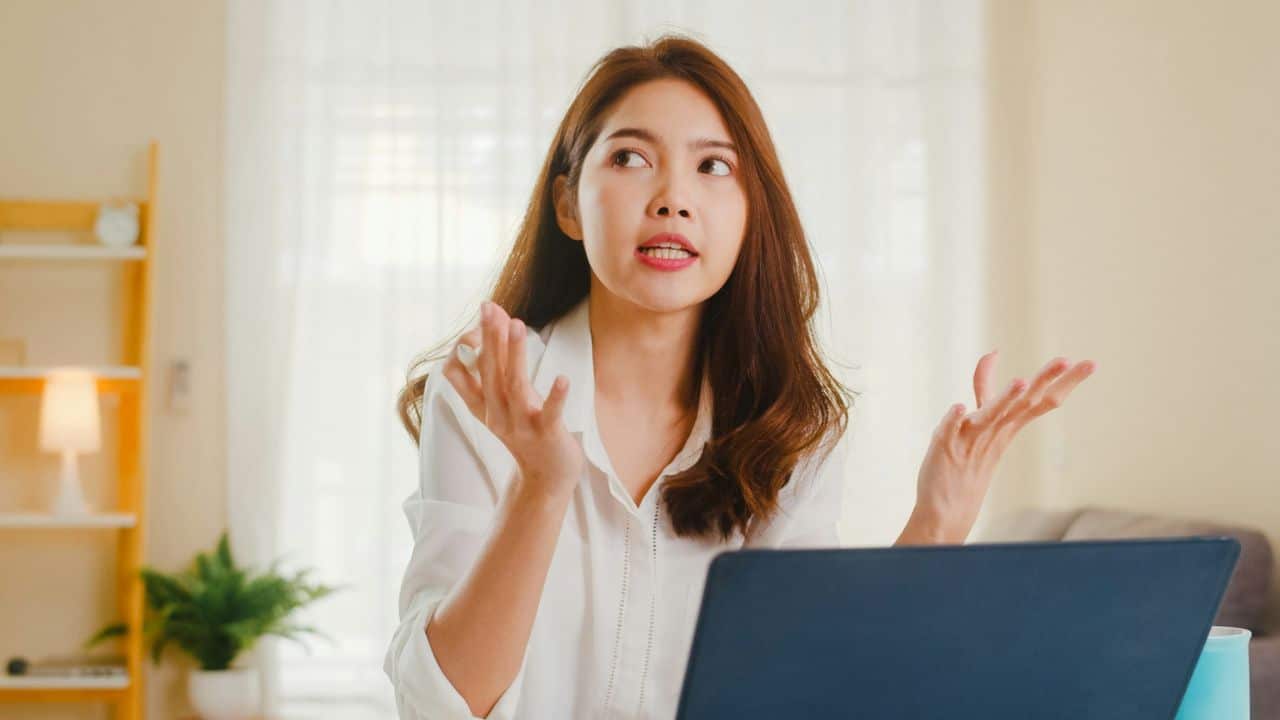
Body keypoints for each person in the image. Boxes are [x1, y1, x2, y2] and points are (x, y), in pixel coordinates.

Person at [383, 33, 1095, 720]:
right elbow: (439, 705)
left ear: (750, 214)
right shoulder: (488, 391)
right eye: (631, 157)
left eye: (713, 167)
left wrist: (938, 519)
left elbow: (828, 690)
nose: (672, 198)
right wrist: (540, 489)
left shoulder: (790, 421)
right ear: (568, 204)